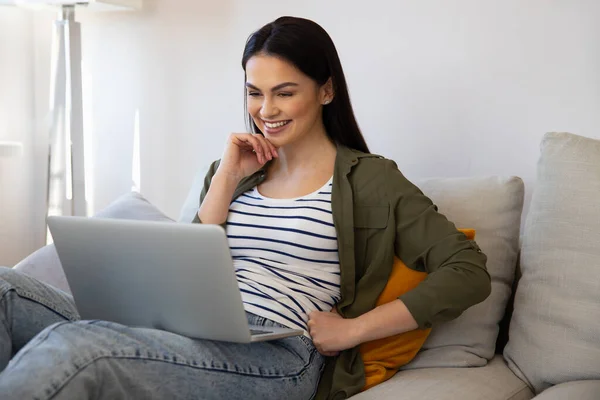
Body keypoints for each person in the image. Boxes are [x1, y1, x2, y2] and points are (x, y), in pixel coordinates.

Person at [0, 16, 490, 400]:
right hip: (183, 331)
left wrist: (354, 330)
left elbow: (467, 270)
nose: (266, 110)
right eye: (255, 93)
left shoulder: (371, 179)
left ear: (326, 91)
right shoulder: (232, 170)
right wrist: (228, 178)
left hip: (276, 355)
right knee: (4, 287)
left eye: (284, 92)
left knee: (77, 347)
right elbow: (182, 266)